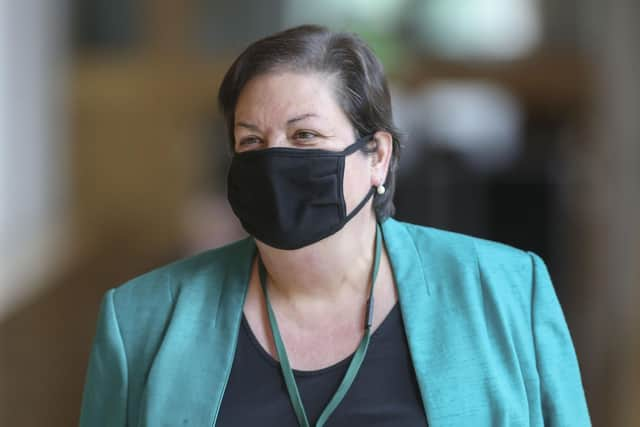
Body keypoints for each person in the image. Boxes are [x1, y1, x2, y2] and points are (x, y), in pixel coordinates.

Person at [79, 25, 590, 426]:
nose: (275, 160)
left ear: (377, 156)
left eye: (305, 136)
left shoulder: (505, 291)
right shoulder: (141, 321)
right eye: (252, 141)